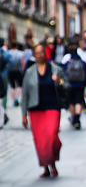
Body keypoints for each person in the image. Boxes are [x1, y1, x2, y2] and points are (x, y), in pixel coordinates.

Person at [21, 42, 67, 177]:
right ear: (34, 55)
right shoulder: (29, 72)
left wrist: (58, 81)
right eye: (37, 53)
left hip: (52, 107)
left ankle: (52, 161)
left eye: (42, 52)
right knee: (40, 141)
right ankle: (47, 167)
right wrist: (23, 114)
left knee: (52, 136)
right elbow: (25, 94)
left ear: (45, 53)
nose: (40, 55)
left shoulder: (55, 69)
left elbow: (65, 85)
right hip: (36, 109)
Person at [62, 41, 86, 129]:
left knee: (71, 102)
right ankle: (77, 119)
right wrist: (85, 83)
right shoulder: (81, 60)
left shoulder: (66, 60)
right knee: (78, 101)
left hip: (70, 85)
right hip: (80, 85)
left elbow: (63, 72)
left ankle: (74, 118)